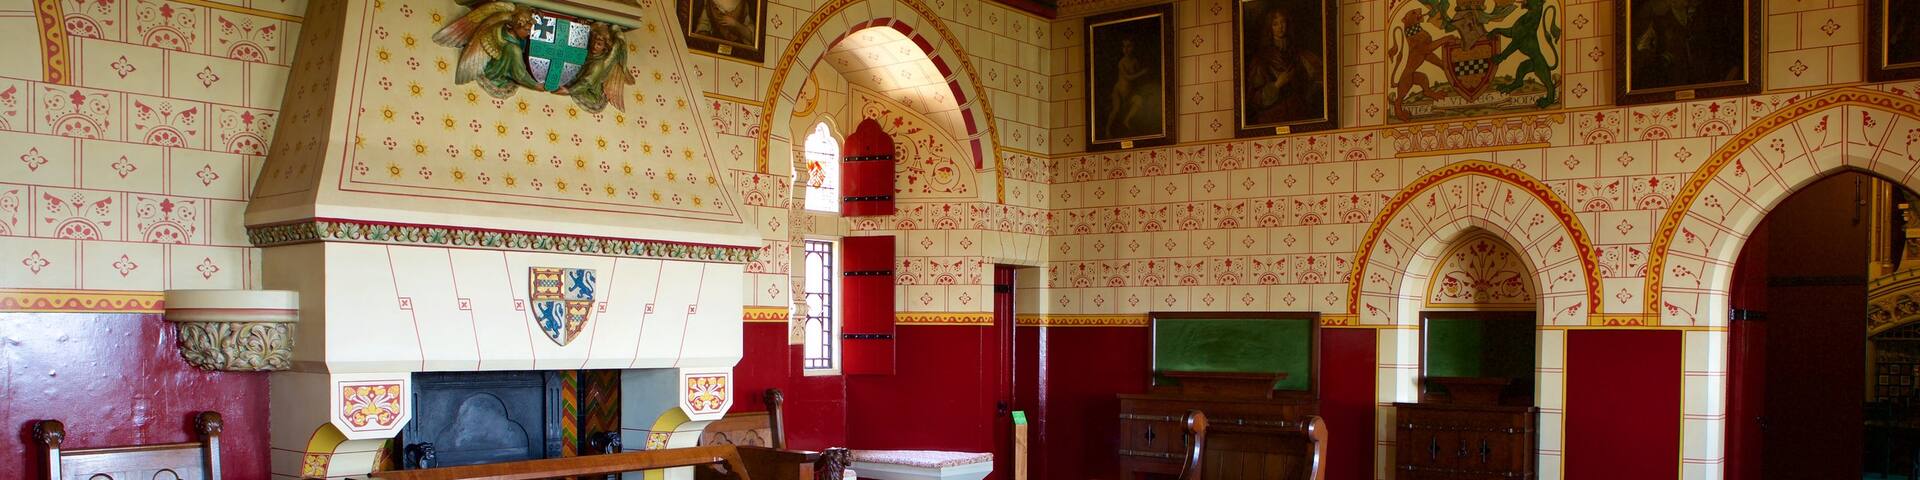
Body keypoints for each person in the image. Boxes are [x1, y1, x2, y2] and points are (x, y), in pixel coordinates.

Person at [1245, 8, 1324, 125]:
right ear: (1270, 28)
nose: (1280, 27)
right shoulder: (1261, 59)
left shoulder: (1298, 53)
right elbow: (1254, 99)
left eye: (1283, 22)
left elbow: (1313, 81)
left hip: (1298, 114)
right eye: (1275, 24)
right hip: (1273, 117)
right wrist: (1277, 85)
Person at [1104, 37, 1153, 139]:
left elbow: (1136, 78)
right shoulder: (1121, 62)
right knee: (1116, 109)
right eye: (1124, 47)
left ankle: (1127, 120)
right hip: (1119, 91)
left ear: (1133, 47)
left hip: (1129, 91)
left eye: (1128, 46)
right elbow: (1129, 77)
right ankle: (1107, 129)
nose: (1126, 49)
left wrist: (1142, 81)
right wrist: (1142, 73)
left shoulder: (1135, 61)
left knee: (1139, 101)